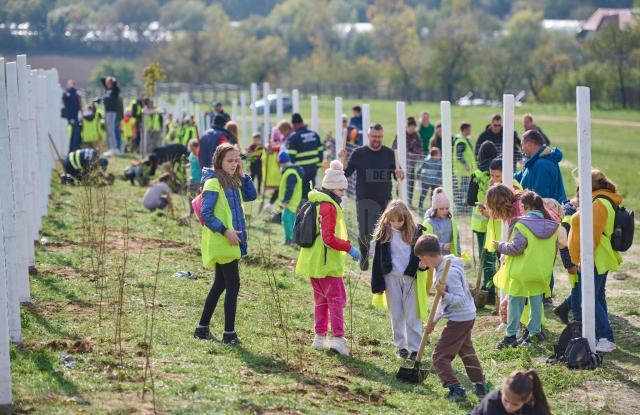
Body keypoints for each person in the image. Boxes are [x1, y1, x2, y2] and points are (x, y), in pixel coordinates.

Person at [296, 160, 360, 356]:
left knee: (321, 301)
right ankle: (338, 339)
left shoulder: (316, 201)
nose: (343, 195)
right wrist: (349, 247)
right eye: (341, 191)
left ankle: (320, 337)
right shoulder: (329, 207)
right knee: (337, 300)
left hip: (313, 262)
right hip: (326, 264)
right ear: (333, 189)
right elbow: (328, 238)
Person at [195, 143, 257, 345]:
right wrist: (225, 231)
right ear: (219, 161)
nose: (234, 164)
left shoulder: (232, 180)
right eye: (230, 160)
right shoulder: (213, 182)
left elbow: (251, 196)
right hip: (223, 240)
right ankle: (229, 334)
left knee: (220, 284)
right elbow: (206, 214)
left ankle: (202, 329)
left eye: (237, 160)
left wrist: (243, 173)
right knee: (233, 284)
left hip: (232, 240)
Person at [415, 234, 487, 401]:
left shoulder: (450, 273)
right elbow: (441, 302)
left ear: (427, 256)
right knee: (466, 350)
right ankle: (480, 385)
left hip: (460, 318)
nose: (421, 263)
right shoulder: (442, 268)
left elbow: (459, 300)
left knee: (439, 356)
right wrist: (433, 321)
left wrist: (444, 293)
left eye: (421, 259)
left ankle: (455, 388)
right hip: (466, 315)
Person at [493, 191, 558, 349]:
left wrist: (500, 246)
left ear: (528, 207)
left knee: (515, 303)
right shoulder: (551, 225)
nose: (520, 211)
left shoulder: (522, 224)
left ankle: (511, 336)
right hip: (541, 271)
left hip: (521, 270)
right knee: (536, 302)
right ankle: (534, 333)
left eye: (522, 207)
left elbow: (516, 248)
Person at [568, 170, 622, 353]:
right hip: (597, 256)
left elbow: (592, 236)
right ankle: (603, 336)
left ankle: (606, 338)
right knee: (597, 297)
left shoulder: (598, 203)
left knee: (589, 299)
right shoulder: (600, 199)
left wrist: (584, 259)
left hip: (595, 257)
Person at [338, 123, 405, 271]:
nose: (377, 139)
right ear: (368, 136)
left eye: (379, 137)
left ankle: (383, 261)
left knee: (386, 231)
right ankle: (365, 257)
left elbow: (397, 174)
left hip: (385, 201)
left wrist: (400, 174)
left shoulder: (389, 153)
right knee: (364, 232)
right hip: (364, 199)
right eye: (374, 136)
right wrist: (343, 159)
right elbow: (346, 172)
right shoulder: (358, 153)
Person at [371, 200, 425, 360]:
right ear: (387, 218)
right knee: (396, 313)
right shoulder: (383, 234)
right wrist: (378, 282)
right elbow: (378, 260)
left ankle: (415, 348)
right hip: (391, 278)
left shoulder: (414, 233)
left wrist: (423, 266)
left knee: (412, 314)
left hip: (410, 278)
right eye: (392, 220)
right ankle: (401, 346)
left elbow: (423, 255)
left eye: (399, 220)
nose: (396, 224)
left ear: (406, 218)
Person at [466, 142, 498, 300]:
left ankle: (489, 289)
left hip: (480, 224)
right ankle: (499, 288)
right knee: (498, 256)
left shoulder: (477, 175)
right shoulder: (498, 172)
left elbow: (470, 200)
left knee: (485, 257)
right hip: (497, 221)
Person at [515, 130, 566, 202]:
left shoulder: (541, 165)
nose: (521, 149)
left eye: (522, 145)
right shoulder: (535, 162)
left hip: (546, 212)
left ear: (529, 145)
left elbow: (539, 198)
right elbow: (524, 176)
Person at [470, 370, 551, 415]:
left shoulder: (533, 406)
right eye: (505, 400)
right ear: (502, 390)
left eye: (515, 404)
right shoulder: (492, 403)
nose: (508, 407)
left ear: (528, 399)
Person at [285, 113, 323, 195]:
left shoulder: (293, 138)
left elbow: (290, 157)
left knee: (300, 192)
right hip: (313, 168)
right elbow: (320, 151)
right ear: (302, 122)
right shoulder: (314, 134)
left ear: (294, 125)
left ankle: (303, 206)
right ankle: (310, 206)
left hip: (300, 169)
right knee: (310, 189)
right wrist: (318, 165)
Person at [392, 116, 423, 204]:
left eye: (414, 128)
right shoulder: (400, 135)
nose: (412, 130)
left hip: (412, 164)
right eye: (411, 128)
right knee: (400, 182)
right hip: (401, 164)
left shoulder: (416, 135)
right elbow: (395, 147)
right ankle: (398, 201)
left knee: (411, 184)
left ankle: (409, 202)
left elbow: (420, 149)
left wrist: (413, 151)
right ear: (407, 127)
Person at [277, 151, 305, 245]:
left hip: (291, 201)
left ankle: (289, 239)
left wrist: (286, 201)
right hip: (295, 199)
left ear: (281, 162)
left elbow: (290, 189)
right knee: (292, 219)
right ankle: (294, 238)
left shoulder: (290, 173)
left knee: (285, 218)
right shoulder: (294, 171)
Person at [423, 188, 460, 256]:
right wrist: (442, 246)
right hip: (433, 257)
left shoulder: (451, 221)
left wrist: (458, 253)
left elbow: (456, 239)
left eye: (446, 208)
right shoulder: (428, 223)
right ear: (435, 209)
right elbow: (427, 242)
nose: (444, 211)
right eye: (441, 209)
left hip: (449, 257)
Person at [452, 123, 476, 214]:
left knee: (464, 190)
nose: (470, 131)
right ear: (464, 130)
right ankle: (460, 208)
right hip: (463, 171)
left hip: (465, 172)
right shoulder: (461, 141)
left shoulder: (464, 140)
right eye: (469, 129)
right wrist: (465, 164)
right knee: (462, 191)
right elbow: (459, 155)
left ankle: (462, 208)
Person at [418, 147, 442, 211]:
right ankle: (420, 205)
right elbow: (421, 168)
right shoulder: (427, 161)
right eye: (439, 154)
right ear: (434, 156)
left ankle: (432, 206)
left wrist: (440, 179)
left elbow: (440, 172)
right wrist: (418, 174)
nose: (440, 155)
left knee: (433, 194)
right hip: (426, 180)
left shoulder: (440, 162)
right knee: (424, 193)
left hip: (434, 181)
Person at [100, 76, 120, 154]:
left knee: (111, 130)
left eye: (109, 83)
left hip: (112, 112)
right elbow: (102, 79)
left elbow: (116, 86)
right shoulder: (107, 90)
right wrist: (108, 80)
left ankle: (113, 148)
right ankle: (111, 148)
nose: (107, 84)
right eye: (107, 83)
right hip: (106, 112)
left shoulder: (115, 90)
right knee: (108, 130)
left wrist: (113, 80)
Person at [62, 80, 82, 152]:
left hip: (75, 117)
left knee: (76, 134)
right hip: (70, 118)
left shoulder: (76, 94)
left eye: (73, 84)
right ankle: (71, 150)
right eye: (70, 84)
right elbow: (66, 99)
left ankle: (74, 149)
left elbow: (78, 105)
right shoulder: (67, 93)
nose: (72, 86)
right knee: (71, 135)